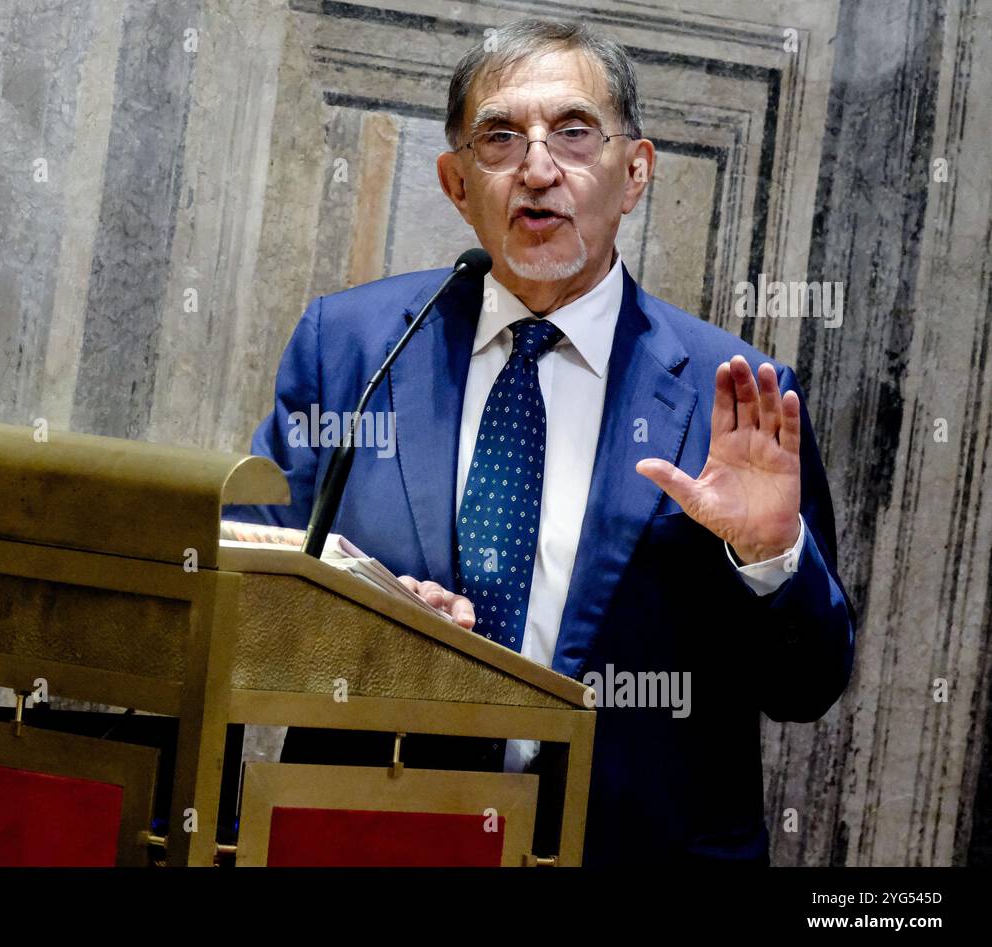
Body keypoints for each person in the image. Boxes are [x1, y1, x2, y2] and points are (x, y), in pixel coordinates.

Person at [223, 17, 854, 865]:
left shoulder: (733, 396)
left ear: (634, 174)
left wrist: (772, 558)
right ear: (456, 183)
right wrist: (368, 624)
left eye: (573, 133)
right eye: (500, 138)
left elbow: (805, 689)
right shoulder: (353, 349)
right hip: (375, 834)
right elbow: (249, 603)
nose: (538, 168)